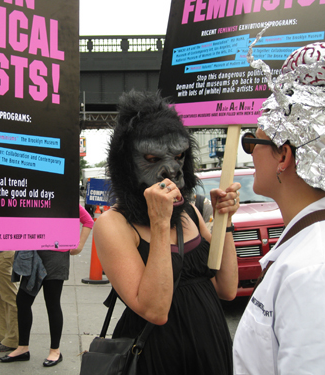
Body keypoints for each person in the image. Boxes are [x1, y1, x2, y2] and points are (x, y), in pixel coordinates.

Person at [93, 90, 240, 375]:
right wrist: (159, 223)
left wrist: (226, 221)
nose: (171, 169)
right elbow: (156, 311)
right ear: (126, 165)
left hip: (211, 346)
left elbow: (227, 288)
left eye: (179, 156)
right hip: (157, 357)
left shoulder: (191, 212)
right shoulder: (112, 225)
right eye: (151, 157)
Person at [233, 40, 325, 374]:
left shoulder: (316, 271)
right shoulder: (315, 249)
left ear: (284, 155)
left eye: (252, 140)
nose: (249, 151)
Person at [0, 204, 94, 367]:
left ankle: (55, 351)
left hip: (56, 257)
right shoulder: (38, 196)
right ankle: (23, 347)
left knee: (52, 303)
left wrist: (78, 246)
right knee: (23, 300)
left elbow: (88, 221)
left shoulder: (64, 198)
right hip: (34, 253)